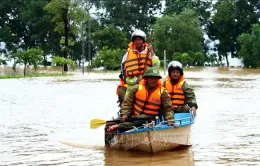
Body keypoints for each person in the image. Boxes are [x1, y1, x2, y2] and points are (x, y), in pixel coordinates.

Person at [107, 67, 177, 132]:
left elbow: (168, 108)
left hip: (149, 118)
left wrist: (170, 120)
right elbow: (127, 103)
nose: (153, 80)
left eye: (155, 78)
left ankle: (118, 126)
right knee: (110, 123)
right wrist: (124, 114)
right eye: (151, 78)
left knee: (138, 122)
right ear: (146, 79)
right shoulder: (136, 88)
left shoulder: (163, 92)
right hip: (134, 115)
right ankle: (110, 140)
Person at [121, 30, 160, 96]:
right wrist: (136, 80)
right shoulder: (127, 55)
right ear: (133, 41)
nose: (138, 42)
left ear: (143, 41)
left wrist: (152, 52)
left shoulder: (149, 52)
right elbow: (124, 75)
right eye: (136, 40)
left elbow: (156, 68)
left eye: (140, 39)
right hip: (131, 88)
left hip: (147, 86)